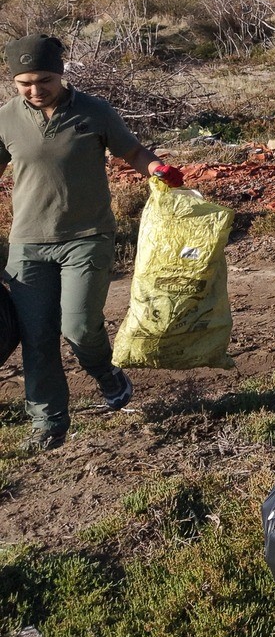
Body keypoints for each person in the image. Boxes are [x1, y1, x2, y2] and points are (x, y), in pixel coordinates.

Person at [0, 34, 182, 451]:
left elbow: (132, 151)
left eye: (44, 80)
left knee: (79, 326)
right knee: (37, 337)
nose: (35, 89)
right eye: (24, 82)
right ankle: (48, 422)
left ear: (60, 73)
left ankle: (105, 372)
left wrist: (157, 168)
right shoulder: (6, 118)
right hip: (28, 245)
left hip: (87, 238)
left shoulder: (94, 111)